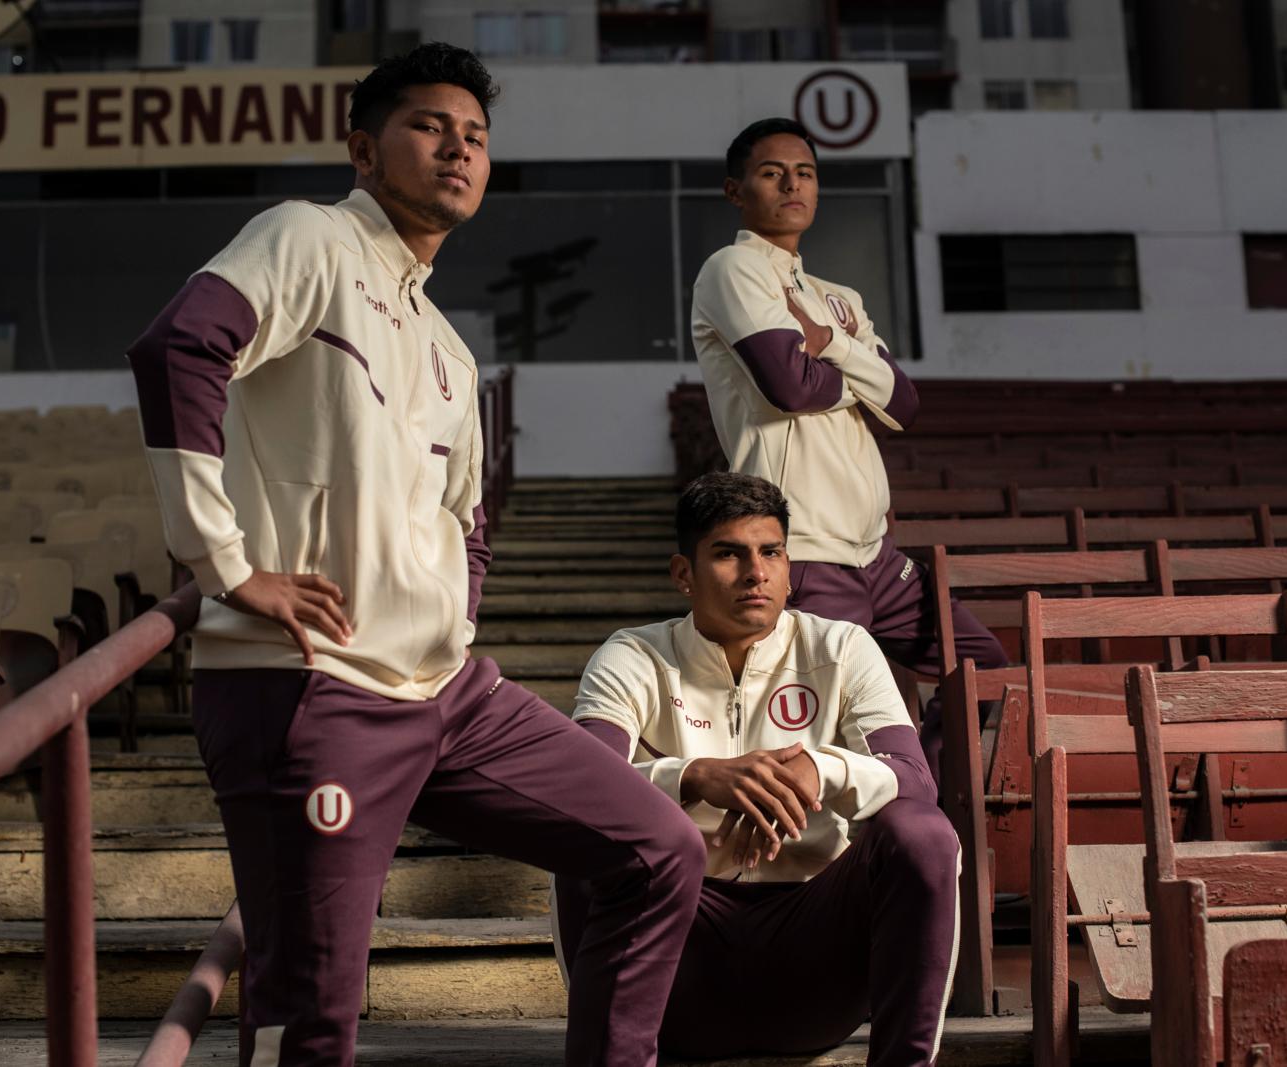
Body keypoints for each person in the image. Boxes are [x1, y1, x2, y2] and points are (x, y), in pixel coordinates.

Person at [126, 43, 703, 1067]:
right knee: (311, 1021)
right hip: (311, 687)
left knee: (658, 846)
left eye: (476, 136)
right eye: (432, 126)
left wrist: (453, 617)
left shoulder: (447, 342)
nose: (459, 148)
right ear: (362, 146)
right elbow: (181, 345)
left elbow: (465, 516)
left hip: (445, 693)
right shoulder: (307, 237)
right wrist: (223, 562)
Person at [553, 472, 960, 1067]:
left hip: (815, 957)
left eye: (771, 552)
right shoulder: (634, 656)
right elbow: (582, 790)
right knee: (588, 837)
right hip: (677, 969)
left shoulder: (841, 647)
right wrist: (695, 778)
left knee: (922, 834)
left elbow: (914, 778)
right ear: (682, 574)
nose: (756, 572)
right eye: (728, 553)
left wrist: (819, 770)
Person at [689, 118, 1008, 778]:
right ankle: (861, 858)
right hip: (805, 553)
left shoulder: (840, 300)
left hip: (875, 555)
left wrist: (830, 345)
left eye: (804, 172)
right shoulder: (733, 268)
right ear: (735, 190)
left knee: (985, 669)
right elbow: (787, 386)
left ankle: (938, 810)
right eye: (772, 172)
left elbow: (906, 404)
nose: (792, 183)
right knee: (838, 729)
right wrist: (859, 378)